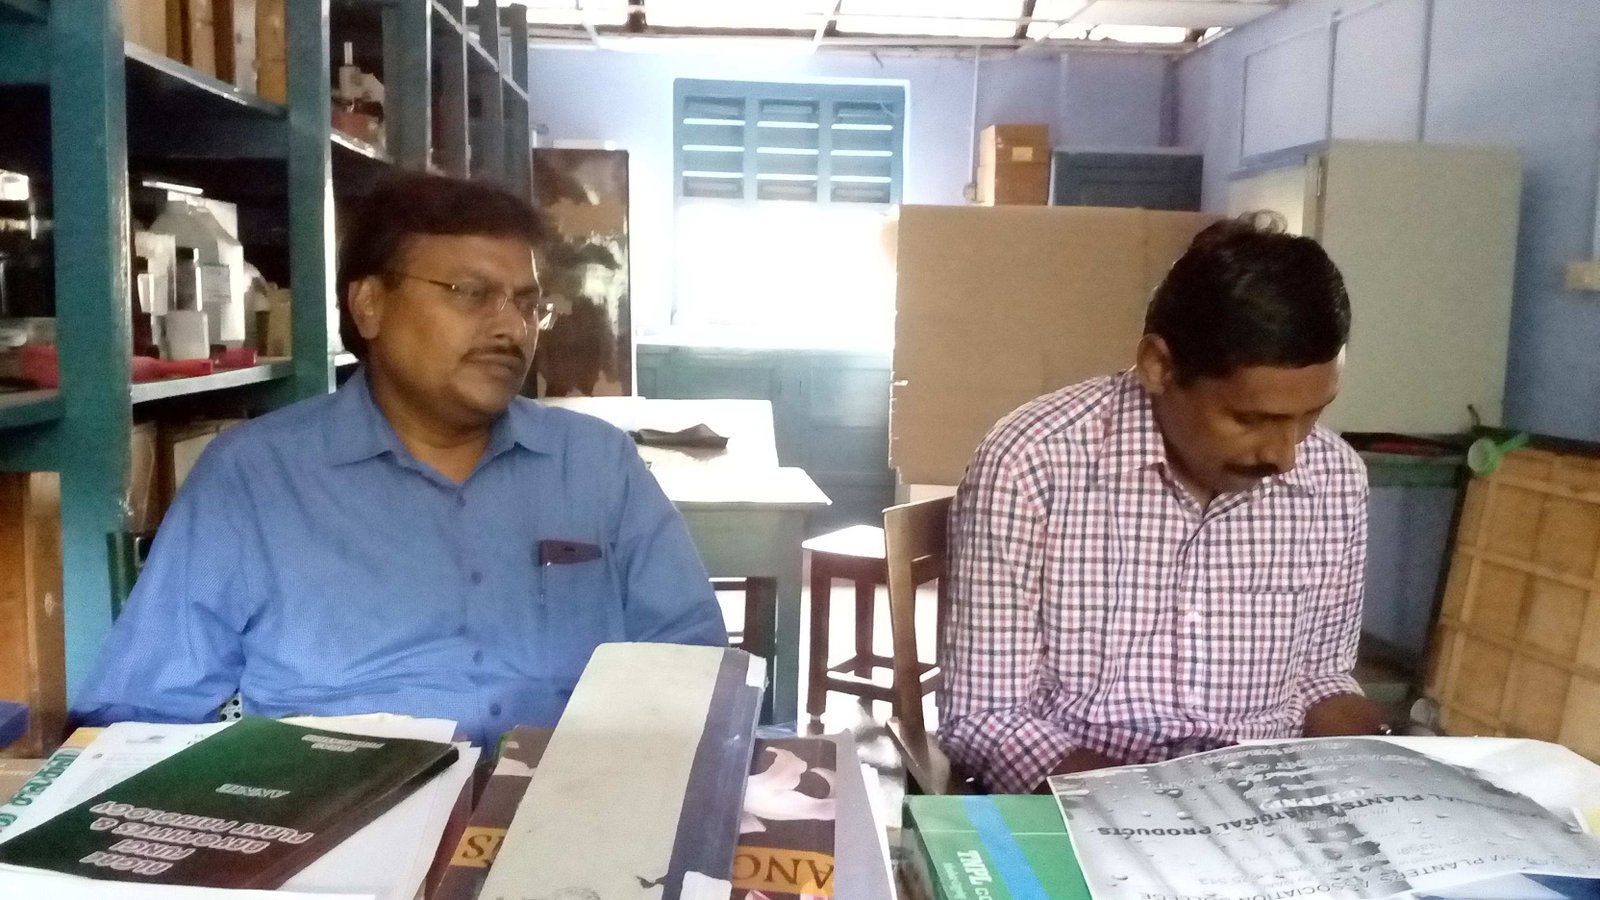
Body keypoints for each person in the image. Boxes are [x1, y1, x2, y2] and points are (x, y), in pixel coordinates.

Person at [73, 173, 727, 745]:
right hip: (339, 819)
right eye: (471, 293)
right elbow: (138, 713)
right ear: (370, 305)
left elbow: (692, 667)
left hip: (568, 809)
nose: (511, 329)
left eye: (529, 305)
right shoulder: (254, 478)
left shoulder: (595, 466)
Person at [938, 213, 1388, 794]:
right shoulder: (1033, 464)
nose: (1285, 456)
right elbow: (986, 715)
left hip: (1266, 806)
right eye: (1250, 419)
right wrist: (1151, 806)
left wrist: (1383, 761)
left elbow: (1321, 676)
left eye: (1311, 415)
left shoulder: (1336, 477)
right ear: (1159, 366)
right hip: (1084, 799)